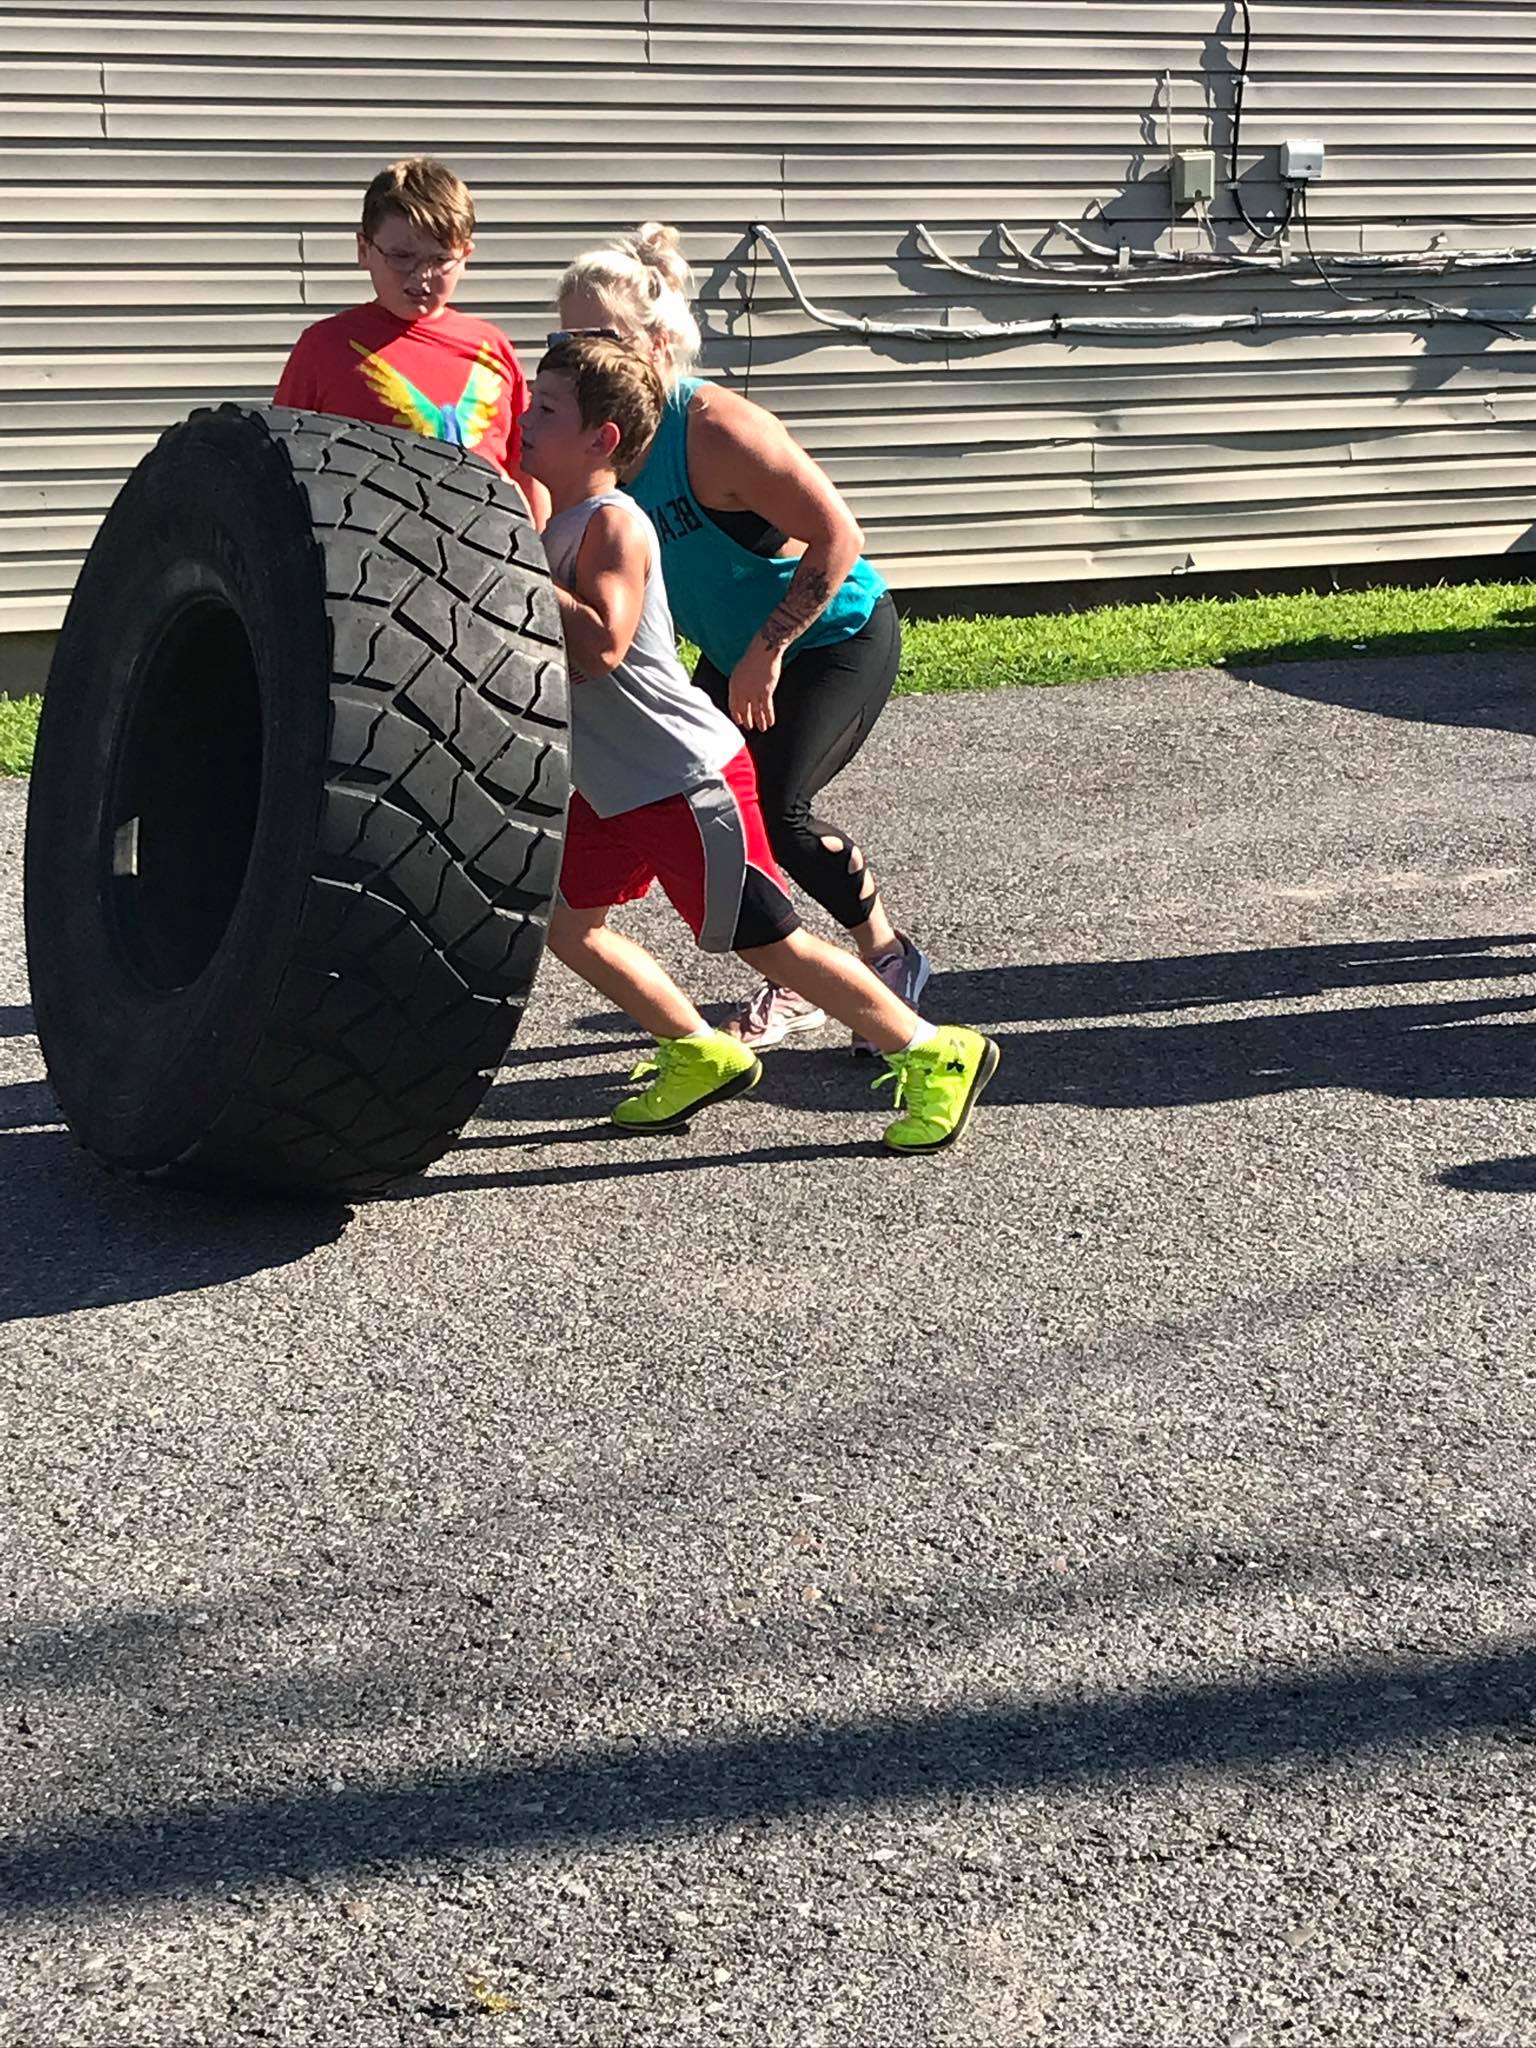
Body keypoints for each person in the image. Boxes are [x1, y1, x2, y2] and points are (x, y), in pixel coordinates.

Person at [522, 336, 998, 1155]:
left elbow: (600, 644)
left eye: (546, 409)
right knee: (569, 926)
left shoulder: (614, 523)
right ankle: (696, 1050)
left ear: (601, 439)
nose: (525, 418)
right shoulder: (559, 522)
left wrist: (520, 573)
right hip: (613, 784)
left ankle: (933, 1050)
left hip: (682, 776)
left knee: (770, 941)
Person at [553, 224, 925, 1053]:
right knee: (724, 813)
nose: (578, 356)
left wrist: (766, 652)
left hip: (833, 635)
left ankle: (886, 961)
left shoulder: (715, 427)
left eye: (598, 339)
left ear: (654, 342)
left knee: (780, 810)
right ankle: (798, 981)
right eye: (564, 339)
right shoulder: (601, 441)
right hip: (730, 650)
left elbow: (839, 536)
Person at [275, 156, 548, 524]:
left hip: (487, 556)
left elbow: (526, 471)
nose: (421, 277)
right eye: (401, 257)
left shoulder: (492, 346)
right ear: (363, 250)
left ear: (466, 256)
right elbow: (281, 467)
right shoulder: (323, 347)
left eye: (439, 259)